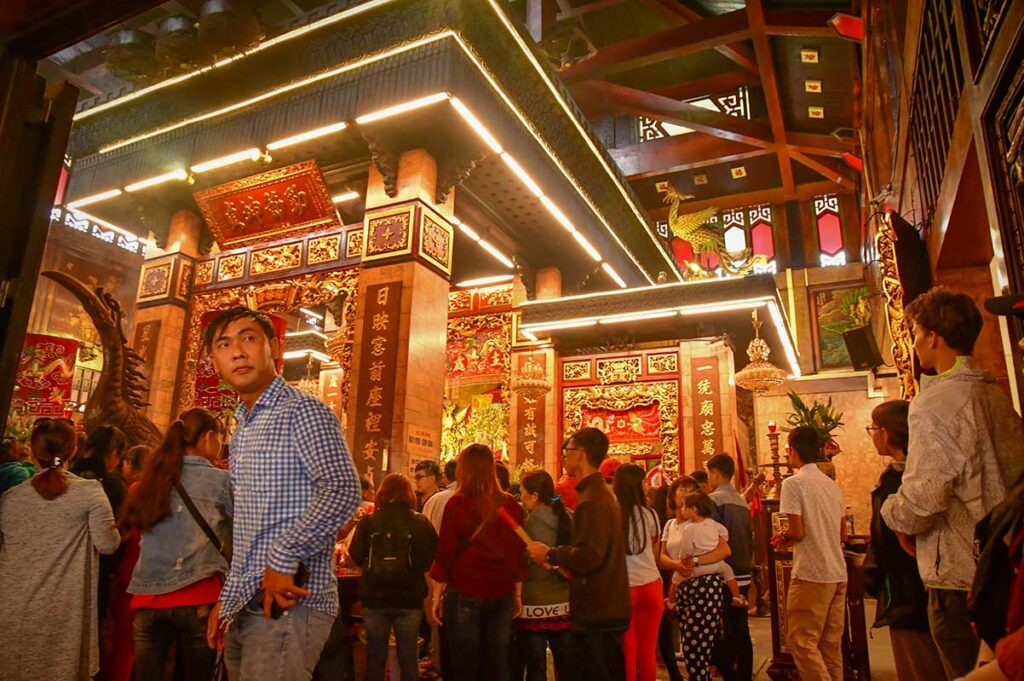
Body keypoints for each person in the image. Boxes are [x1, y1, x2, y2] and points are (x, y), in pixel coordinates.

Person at [201, 307, 361, 681]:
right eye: (224, 344)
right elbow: (250, 530)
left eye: (248, 338)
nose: (237, 352)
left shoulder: (301, 410)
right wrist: (228, 600)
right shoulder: (244, 426)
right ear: (215, 361)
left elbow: (342, 489)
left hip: (290, 602)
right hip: (247, 602)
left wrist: (283, 555)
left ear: (273, 347)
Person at [881, 287, 1024, 678]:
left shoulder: (934, 403)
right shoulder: (993, 394)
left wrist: (893, 513)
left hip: (959, 576)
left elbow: (923, 500)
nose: (914, 344)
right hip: (1004, 566)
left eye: (915, 333)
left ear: (933, 337)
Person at [0, 418, 121, 680]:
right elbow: (108, 545)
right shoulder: (90, 493)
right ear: (73, 451)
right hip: (64, 610)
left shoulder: (10, 498)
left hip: (11, 608)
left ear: (32, 451)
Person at [117, 408, 232, 681]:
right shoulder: (222, 483)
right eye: (220, 438)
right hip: (199, 598)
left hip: (147, 599)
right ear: (208, 437)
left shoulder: (147, 482)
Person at [527, 428, 631, 681]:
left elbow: (589, 555)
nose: (564, 456)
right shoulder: (598, 493)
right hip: (605, 605)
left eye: (568, 450)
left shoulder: (592, 499)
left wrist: (551, 554)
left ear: (581, 454)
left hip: (597, 608)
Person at [430, 444, 527, 680]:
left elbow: (446, 552)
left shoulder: (457, 504)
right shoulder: (510, 504)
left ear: (463, 470)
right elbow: (517, 553)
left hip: (465, 591)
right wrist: (517, 594)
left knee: (464, 666)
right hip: (501, 592)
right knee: (496, 665)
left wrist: (436, 595)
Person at [865, 400, 946, 681]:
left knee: (919, 666)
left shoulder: (900, 479)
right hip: (927, 585)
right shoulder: (919, 471)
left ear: (886, 433)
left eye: (873, 429)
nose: (872, 435)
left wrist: (874, 575)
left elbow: (890, 540)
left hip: (908, 590)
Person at [772, 426, 847, 681]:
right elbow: (843, 535)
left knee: (801, 641)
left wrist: (782, 537)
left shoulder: (793, 484)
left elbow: (797, 531)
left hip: (812, 572)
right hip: (837, 571)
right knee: (830, 645)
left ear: (792, 451)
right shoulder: (831, 486)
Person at [348, 473, 437, 681]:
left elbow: (356, 556)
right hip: (409, 599)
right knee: (408, 658)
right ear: (408, 494)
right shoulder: (420, 522)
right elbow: (429, 561)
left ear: (382, 493)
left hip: (374, 599)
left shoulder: (369, 521)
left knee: (375, 658)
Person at [514, 470, 573, 681]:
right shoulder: (569, 517)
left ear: (535, 495)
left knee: (536, 668)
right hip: (565, 604)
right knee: (567, 667)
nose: (521, 498)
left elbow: (520, 566)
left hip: (533, 606)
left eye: (522, 492)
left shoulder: (527, 527)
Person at [706, 453, 755, 681]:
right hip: (743, 567)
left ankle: (730, 674)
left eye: (709, 474)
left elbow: (710, 538)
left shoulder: (714, 500)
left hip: (724, 570)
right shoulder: (741, 501)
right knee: (740, 625)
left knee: (717, 626)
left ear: (716, 474)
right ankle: (743, 675)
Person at [613, 463, 664, 681]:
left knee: (628, 650)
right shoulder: (651, 515)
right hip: (651, 585)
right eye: (643, 482)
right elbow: (656, 555)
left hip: (624, 588)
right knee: (647, 650)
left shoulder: (613, 515)